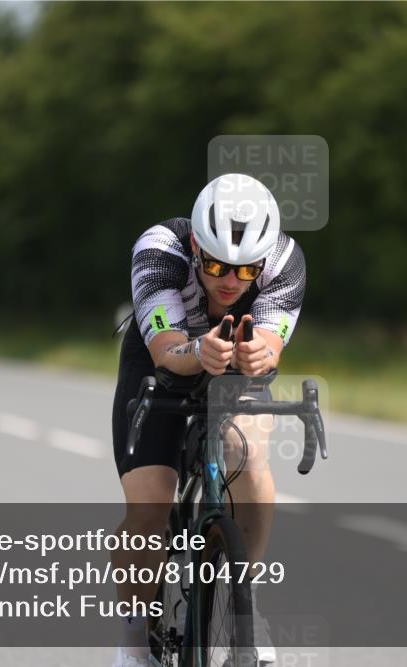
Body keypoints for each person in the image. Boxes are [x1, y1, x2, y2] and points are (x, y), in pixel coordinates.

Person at [110, 173, 306, 666]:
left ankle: (247, 606)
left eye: (245, 271)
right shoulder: (159, 250)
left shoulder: (285, 262)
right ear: (196, 245)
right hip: (163, 359)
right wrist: (199, 350)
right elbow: (166, 350)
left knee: (248, 455)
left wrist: (258, 356)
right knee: (150, 509)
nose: (229, 281)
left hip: (234, 363)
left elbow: (269, 343)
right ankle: (135, 640)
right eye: (216, 264)